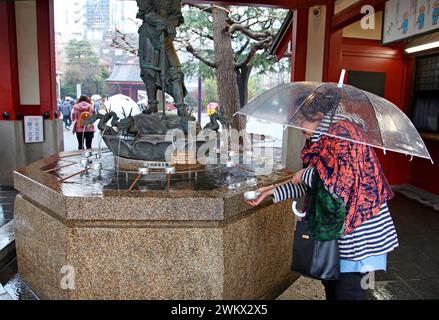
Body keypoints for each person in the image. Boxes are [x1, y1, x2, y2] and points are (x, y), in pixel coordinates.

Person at [247, 92, 399, 300]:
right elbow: (312, 184)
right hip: (334, 236)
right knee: (333, 288)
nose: (300, 129)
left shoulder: (345, 133)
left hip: (358, 238)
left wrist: (307, 173)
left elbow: (340, 181)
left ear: (319, 114)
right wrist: (272, 191)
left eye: (301, 121)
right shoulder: (321, 143)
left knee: (350, 291)